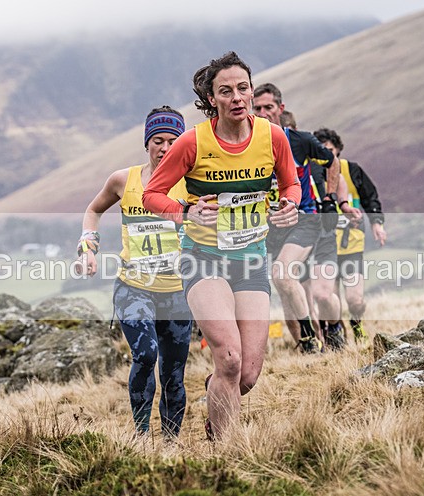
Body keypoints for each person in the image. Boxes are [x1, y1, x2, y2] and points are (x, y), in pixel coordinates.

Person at [143, 51, 301, 440]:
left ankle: (216, 401)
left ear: (251, 91)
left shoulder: (272, 136)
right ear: (212, 99)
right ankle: (223, 453)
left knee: (245, 374)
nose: (237, 98)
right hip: (203, 260)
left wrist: (290, 206)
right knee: (229, 358)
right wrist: (186, 213)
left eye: (242, 88)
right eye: (226, 91)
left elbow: (292, 184)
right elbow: (152, 194)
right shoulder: (193, 142)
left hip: (250, 262)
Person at [77, 105, 193, 440]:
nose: (165, 148)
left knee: (174, 372)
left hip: (177, 292)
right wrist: (88, 247)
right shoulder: (122, 180)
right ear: (147, 143)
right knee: (145, 354)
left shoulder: (191, 183)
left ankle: (170, 442)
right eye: (158, 140)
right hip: (133, 287)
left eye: (173, 140)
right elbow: (93, 210)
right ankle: (141, 436)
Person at [252, 83, 355, 353]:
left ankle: (331, 328)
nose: (262, 113)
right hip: (272, 228)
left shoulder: (300, 140)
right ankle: (307, 344)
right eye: (257, 108)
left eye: (268, 108)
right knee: (286, 287)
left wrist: (332, 200)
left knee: (311, 289)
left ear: (280, 109)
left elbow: (332, 161)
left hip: (306, 221)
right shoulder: (247, 144)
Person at [313, 127, 386, 341]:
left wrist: (377, 223)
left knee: (355, 299)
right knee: (329, 298)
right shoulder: (313, 176)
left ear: (338, 150)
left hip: (352, 246)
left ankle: (356, 322)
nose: (327, 156)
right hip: (324, 247)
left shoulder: (352, 170)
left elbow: (370, 197)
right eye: (321, 151)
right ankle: (335, 336)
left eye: (330, 150)